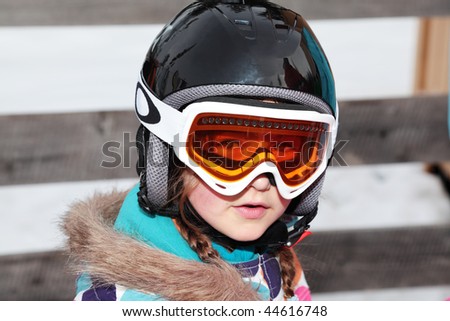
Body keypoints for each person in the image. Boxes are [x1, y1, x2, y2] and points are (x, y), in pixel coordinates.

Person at [62, 0, 338, 301]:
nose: (262, 180)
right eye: (229, 150)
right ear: (167, 152)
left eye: (289, 153)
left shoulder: (279, 256)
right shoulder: (124, 300)